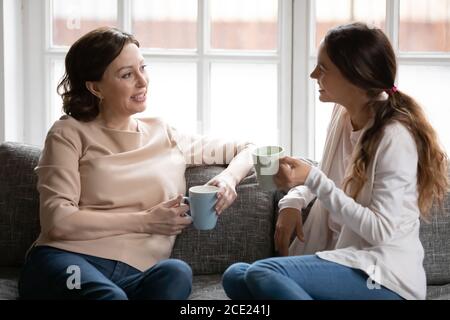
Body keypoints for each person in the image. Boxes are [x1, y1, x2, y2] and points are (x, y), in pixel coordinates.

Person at [18, 27, 254, 300]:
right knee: (110, 296)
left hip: (137, 274)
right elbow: (57, 221)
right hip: (67, 262)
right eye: (127, 74)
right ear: (95, 87)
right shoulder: (68, 133)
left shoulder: (165, 134)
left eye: (143, 68)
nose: (143, 82)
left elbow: (248, 149)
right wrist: (145, 222)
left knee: (176, 273)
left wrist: (228, 179)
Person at [222, 22, 448, 300]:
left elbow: (380, 231)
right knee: (236, 276)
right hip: (343, 260)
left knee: (261, 273)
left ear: (355, 76)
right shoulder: (342, 117)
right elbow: (333, 178)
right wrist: (294, 198)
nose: (313, 74)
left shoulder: (395, 137)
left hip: (383, 276)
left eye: (323, 68)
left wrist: (312, 179)